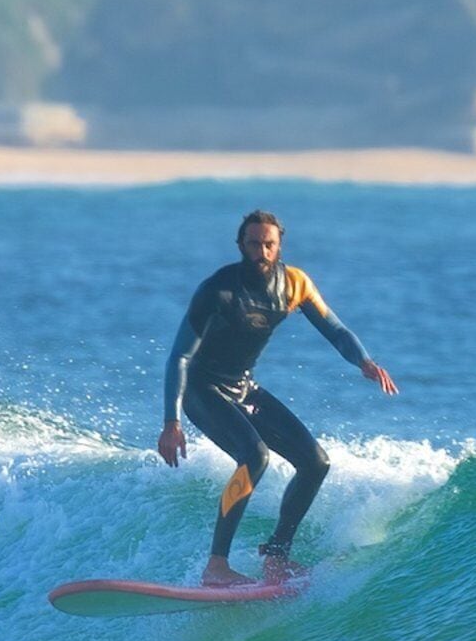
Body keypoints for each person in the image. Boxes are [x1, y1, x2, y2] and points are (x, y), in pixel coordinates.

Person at [157, 209, 399, 584]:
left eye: (269, 244)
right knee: (254, 456)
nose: (262, 252)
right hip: (202, 390)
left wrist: (363, 362)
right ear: (241, 245)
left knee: (315, 462)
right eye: (254, 244)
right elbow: (180, 356)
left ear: (279, 245)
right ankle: (216, 566)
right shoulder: (218, 290)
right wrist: (171, 422)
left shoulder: (295, 284)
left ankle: (276, 556)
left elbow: (335, 330)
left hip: (243, 387)